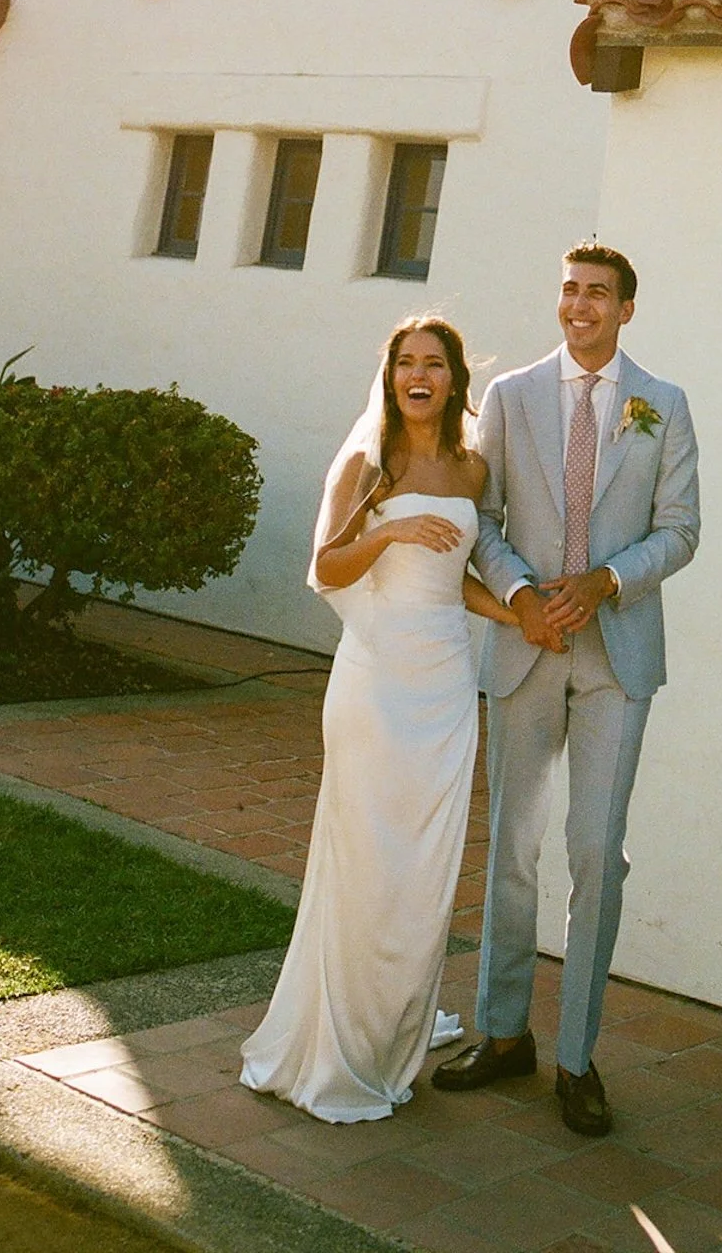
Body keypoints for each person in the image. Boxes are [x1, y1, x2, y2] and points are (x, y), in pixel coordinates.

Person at [432, 243, 699, 1136]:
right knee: (512, 846)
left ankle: (577, 1057)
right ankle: (502, 1031)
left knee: (594, 851)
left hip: (616, 656)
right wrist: (519, 601)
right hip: (525, 649)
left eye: (597, 295)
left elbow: (680, 530)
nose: (579, 306)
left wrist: (605, 583)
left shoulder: (660, 406)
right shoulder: (508, 399)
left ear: (627, 309)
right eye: (569, 291)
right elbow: (486, 523)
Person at [240, 316, 522, 1123]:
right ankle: (336, 1045)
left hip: (443, 687)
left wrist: (513, 616)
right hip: (374, 684)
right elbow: (325, 566)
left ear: (455, 379)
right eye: (405, 362)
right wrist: (389, 524)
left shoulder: (472, 469)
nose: (418, 374)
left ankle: (392, 1030)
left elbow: (453, 573)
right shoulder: (371, 460)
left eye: (433, 363)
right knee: (366, 861)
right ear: (391, 375)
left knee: (423, 871)